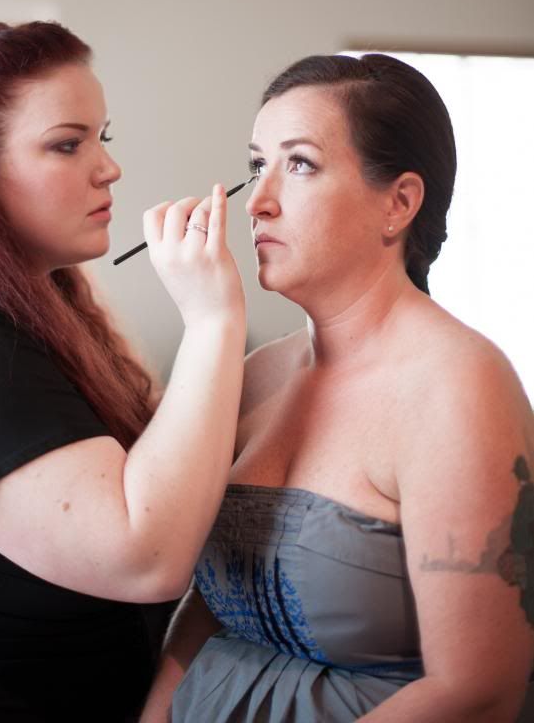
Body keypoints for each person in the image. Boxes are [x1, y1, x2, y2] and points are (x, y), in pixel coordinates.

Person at [0, 20, 247, 722]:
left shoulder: (32, 309)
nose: (109, 168)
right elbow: (145, 559)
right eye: (68, 144)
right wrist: (213, 320)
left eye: (103, 138)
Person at [141, 53, 534, 722]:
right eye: (255, 165)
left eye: (299, 164)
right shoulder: (255, 373)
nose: (257, 202)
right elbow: (211, 602)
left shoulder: (458, 388)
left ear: (398, 203)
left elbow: (479, 689)